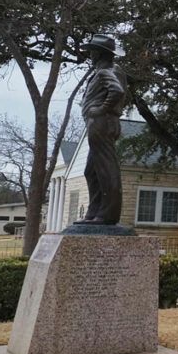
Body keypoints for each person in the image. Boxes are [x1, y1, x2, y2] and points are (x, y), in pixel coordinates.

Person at [75, 34, 127, 225]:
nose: (90, 55)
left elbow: (117, 92)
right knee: (92, 170)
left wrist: (101, 109)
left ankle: (107, 215)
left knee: (105, 169)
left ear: (99, 53)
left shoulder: (106, 71)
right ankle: (94, 212)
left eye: (92, 51)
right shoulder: (109, 70)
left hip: (101, 123)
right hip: (100, 123)